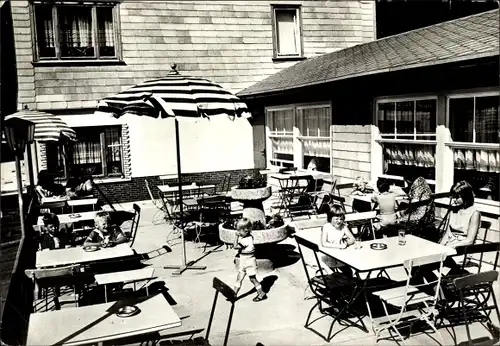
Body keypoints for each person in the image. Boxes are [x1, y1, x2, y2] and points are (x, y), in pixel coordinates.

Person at [233, 218, 267, 302]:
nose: (238, 232)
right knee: (239, 278)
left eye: (239, 231)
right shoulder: (248, 237)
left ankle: (261, 293)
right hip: (244, 261)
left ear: (246, 231)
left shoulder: (246, 240)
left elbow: (235, 246)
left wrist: (236, 237)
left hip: (249, 262)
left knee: (253, 279)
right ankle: (233, 294)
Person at [440, 181, 481, 248]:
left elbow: (469, 241)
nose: (454, 200)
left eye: (457, 197)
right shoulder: (453, 210)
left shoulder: (474, 213)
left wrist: (449, 247)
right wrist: (440, 248)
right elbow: (447, 235)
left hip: (464, 248)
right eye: (453, 197)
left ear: (466, 196)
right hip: (450, 246)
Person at [320, 204, 356, 278]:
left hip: (338, 255)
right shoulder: (326, 227)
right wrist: (339, 245)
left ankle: (349, 286)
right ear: (330, 218)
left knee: (349, 271)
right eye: (336, 219)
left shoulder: (343, 227)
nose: (339, 221)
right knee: (332, 275)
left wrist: (346, 243)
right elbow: (324, 243)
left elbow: (352, 239)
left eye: (341, 219)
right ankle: (335, 286)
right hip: (327, 254)